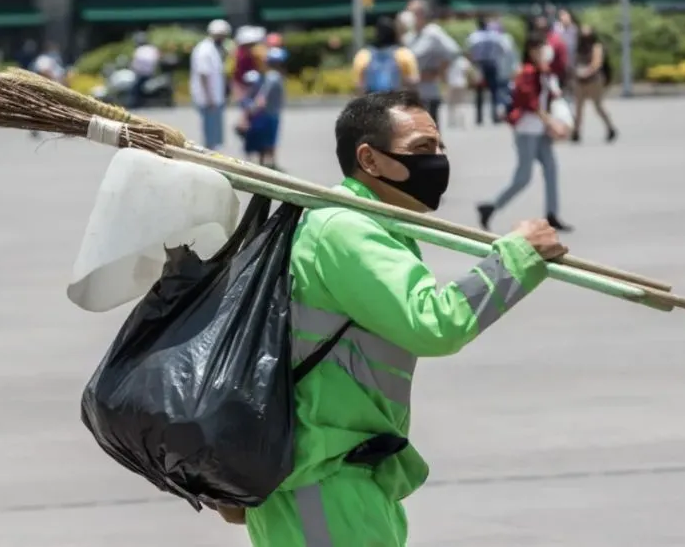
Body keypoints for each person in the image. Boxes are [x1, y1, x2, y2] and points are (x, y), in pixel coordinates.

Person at [233, 90, 567, 546]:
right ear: (369, 159)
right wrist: (516, 258)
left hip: (343, 477)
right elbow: (433, 324)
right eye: (422, 149)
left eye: (440, 147)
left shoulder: (364, 223)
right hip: (322, 481)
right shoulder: (345, 230)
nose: (439, 161)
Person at [477, 32, 574, 233]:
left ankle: (552, 214)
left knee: (551, 169)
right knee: (523, 177)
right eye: (540, 48)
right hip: (527, 130)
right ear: (531, 51)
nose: (545, 51)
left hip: (541, 130)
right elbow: (531, 103)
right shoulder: (527, 72)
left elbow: (551, 96)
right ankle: (491, 206)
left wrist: (557, 119)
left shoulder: (543, 71)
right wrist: (552, 123)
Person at [403, 0, 460, 124]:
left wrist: (438, 73)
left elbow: (452, 52)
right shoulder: (408, 36)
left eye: (414, 13)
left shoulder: (432, 32)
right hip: (411, 95)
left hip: (429, 93)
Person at [572, 24, 617, 143]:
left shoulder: (596, 47)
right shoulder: (578, 47)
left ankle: (610, 128)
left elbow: (597, 63)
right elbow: (574, 62)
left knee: (598, 106)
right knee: (578, 107)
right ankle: (576, 132)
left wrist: (586, 72)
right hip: (580, 81)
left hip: (594, 80)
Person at [191, 19, 231, 150]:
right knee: (211, 134)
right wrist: (209, 98)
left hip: (214, 98)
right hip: (209, 99)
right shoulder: (205, 49)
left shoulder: (213, 48)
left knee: (215, 133)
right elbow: (203, 74)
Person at [352, 15, 419, 94]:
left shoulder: (363, 54)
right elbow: (414, 80)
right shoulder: (404, 53)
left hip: (372, 98)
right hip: (396, 98)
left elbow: (359, 84)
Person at [467, 16, 504, 125]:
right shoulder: (494, 35)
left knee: (479, 92)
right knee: (494, 92)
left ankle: (479, 117)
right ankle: (494, 116)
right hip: (492, 64)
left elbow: (469, 51)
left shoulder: (474, 37)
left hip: (479, 65)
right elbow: (502, 49)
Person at [533, 15, 569, 87]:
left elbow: (562, 62)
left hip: (555, 79)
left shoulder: (556, 41)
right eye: (538, 28)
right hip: (538, 79)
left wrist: (550, 69)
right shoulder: (534, 41)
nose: (540, 30)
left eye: (542, 28)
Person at [129, 31, 160, 109]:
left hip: (142, 74)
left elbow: (134, 63)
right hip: (151, 73)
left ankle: (135, 103)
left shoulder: (139, 50)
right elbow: (157, 61)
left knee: (134, 88)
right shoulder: (152, 48)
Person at [445, 51, 472, 128]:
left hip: (452, 84)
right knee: (462, 103)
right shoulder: (464, 61)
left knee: (451, 105)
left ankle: (452, 122)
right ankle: (463, 122)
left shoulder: (449, 61)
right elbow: (468, 72)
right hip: (461, 84)